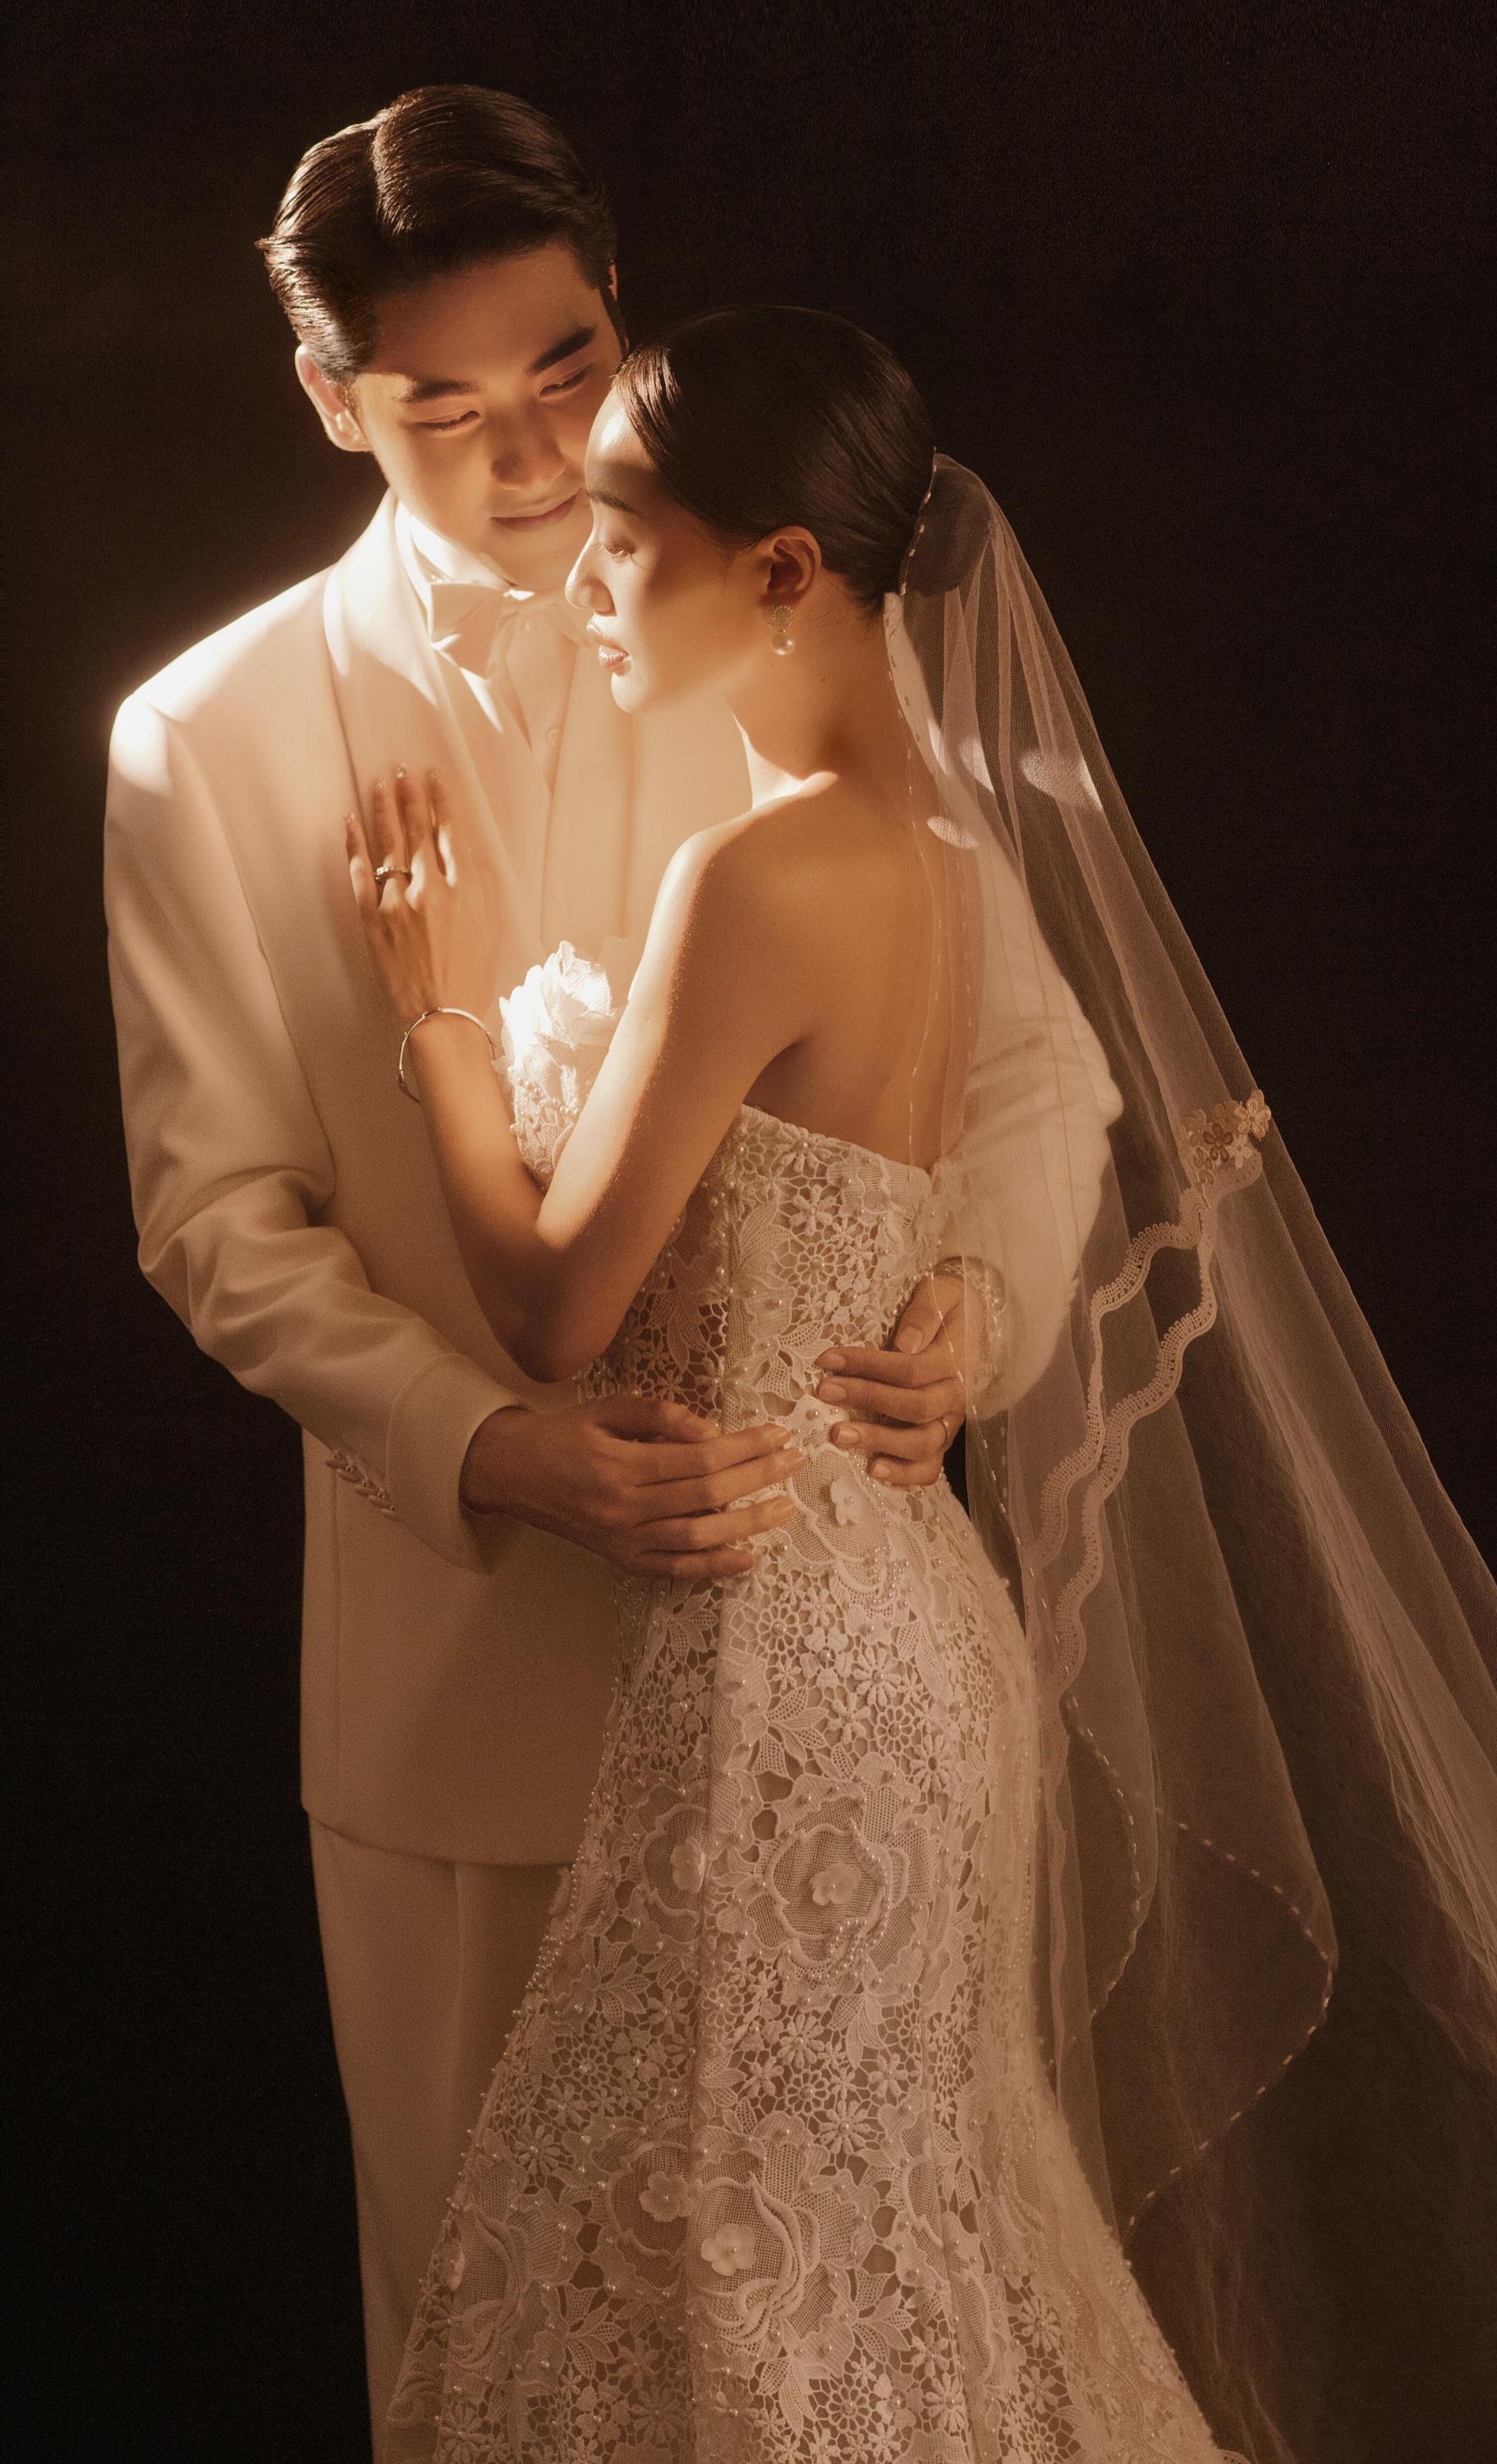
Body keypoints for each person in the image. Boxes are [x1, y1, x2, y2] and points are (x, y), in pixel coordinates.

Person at [348, 309, 1497, 2463]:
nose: (581, 580)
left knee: (756, 2268)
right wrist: (964, 1296)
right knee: (888, 2251)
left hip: (774, 1660)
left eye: (621, 538)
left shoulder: (752, 876)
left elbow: (555, 1310)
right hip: (908, 1635)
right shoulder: (960, 873)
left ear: (783, 571)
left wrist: (436, 1021)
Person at [103, 91, 1078, 2453]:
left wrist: (971, 1310)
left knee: (844, 2341)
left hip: (810, 1697)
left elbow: (1041, 1074)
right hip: (451, 1709)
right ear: (330, 400)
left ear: (619, 313)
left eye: (565, 367)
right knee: (490, 2364)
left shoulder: (761, 597)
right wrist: (497, 1448)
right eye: (447, 407)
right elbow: (217, 1217)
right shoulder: (203, 740)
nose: (537, 454)